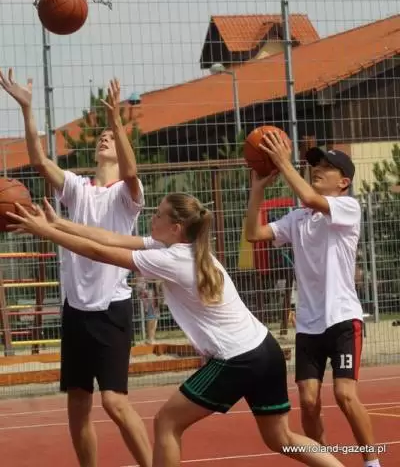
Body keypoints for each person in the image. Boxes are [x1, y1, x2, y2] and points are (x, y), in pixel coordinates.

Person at [9, 194, 346, 467]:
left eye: (158, 214)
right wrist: (58, 223)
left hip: (237, 358)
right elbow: (110, 238)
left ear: (176, 227)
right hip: (264, 349)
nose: (152, 218)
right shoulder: (184, 251)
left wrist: (45, 232)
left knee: (167, 422)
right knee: (281, 438)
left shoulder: (170, 260)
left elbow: (101, 252)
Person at [0, 70, 152, 467]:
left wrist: (116, 120)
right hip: (76, 310)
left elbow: (132, 172)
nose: (104, 138)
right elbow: (39, 161)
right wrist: (27, 109)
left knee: (115, 402)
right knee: (78, 404)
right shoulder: (78, 188)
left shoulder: (126, 197)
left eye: (111, 138)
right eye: (101, 135)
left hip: (111, 308)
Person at [245, 130, 382, 467]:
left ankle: (371, 462)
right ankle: (325, 462)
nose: (317, 169)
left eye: (326, 167)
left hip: (342, 318)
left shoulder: (348, 208)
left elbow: (308, 196)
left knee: (344, 395)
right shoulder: (298, 218)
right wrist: (258, 189)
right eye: (315, 165)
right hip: (309, 324)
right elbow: (253, 234)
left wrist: (281, 162)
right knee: (307, 402)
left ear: (344, 182)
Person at [136, 277, 162, 344]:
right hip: (148, 288)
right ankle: (150, 339)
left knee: (155, 315)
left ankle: (151, 338)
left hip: (152, 288)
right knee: (152, 314)